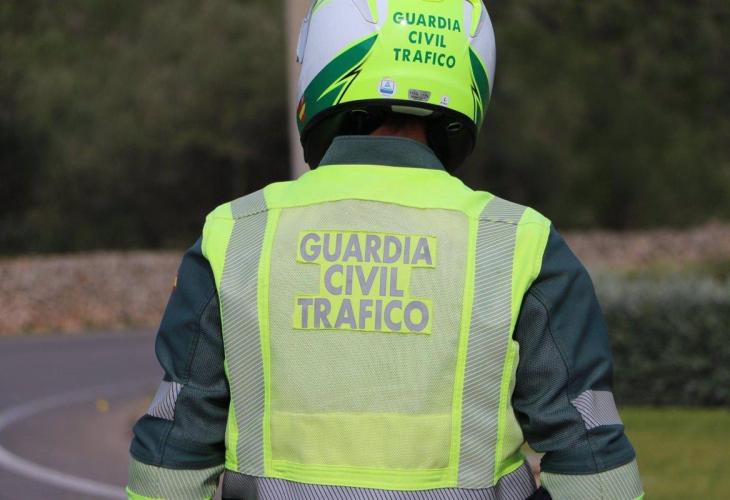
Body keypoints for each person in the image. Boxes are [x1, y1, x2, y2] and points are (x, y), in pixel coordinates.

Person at [126, 1, 643, 499]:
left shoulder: (236, 234)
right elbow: (593, 466)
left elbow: (173, 455)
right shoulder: (520, 242)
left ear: (325, 61)